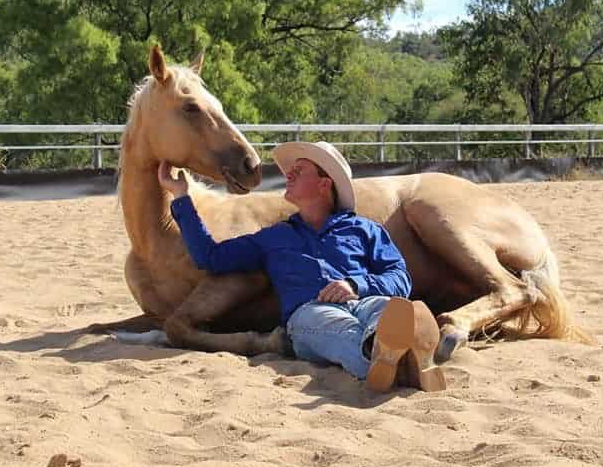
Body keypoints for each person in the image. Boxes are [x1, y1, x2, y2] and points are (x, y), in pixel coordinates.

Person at [160, 140, 446, 392]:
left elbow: (399, 277)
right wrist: (181, 197)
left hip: (364, 301)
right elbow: (210, 257)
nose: (289, 174)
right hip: (309, 314)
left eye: (301, 169)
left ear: (325, 184)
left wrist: (356, 285)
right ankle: (400, 359)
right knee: (333, 327)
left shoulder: (364, 229)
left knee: (386, 309)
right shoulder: (274, 237)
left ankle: (388, 358)